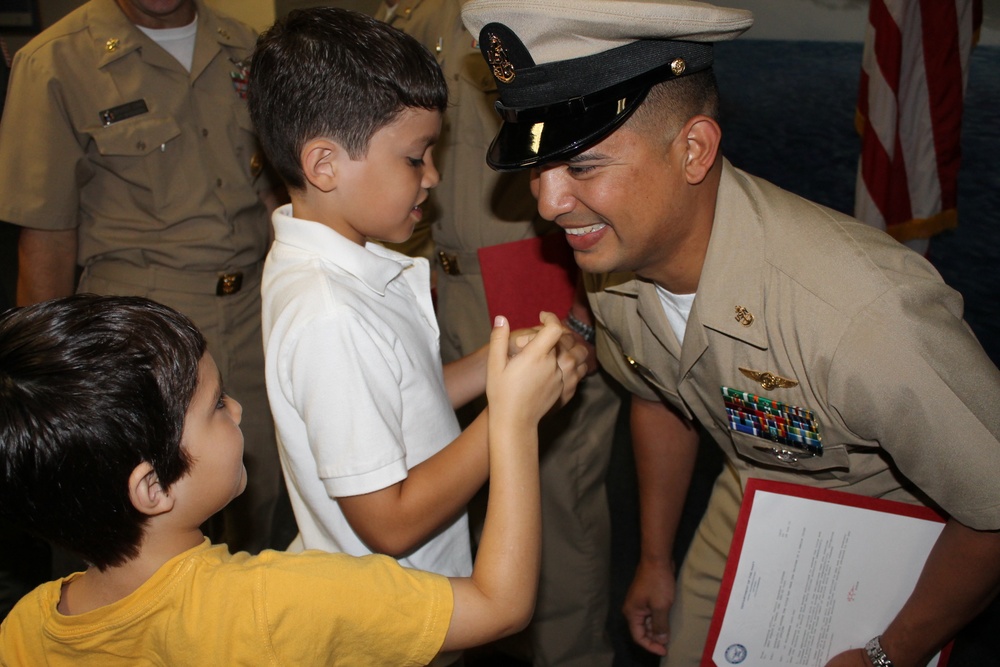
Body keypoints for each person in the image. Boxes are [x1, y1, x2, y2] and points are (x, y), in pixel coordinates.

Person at [459, 1, 1000, 666]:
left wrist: (892, 653)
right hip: (754, 492)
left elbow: (994, 508)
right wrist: (656, 557)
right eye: (538, 171)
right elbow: (659, 393)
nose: (546, 204)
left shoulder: (864, 315)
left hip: (899, 543)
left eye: (583, 167)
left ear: (692, 150)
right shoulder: (612, 273)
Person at [0, 293, 571, 664]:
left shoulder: (24, 629)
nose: (239, 410)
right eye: (215, 407)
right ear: (153, 488)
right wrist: (513, 421)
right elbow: (500, 606)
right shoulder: (277, 603)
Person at [248, 4, 587, 610]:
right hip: (393, 618)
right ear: (324, 165)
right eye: (414, 157)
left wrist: (494, 363)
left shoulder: (338, 268)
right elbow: (390, 523)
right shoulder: (329, 312)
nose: (432, 176)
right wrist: (508, 417)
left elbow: (403, 396)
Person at [374, 2, 622, 664]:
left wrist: (582, 309)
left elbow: (598, 156)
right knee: (483, 508)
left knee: (555, 511)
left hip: (532, 271)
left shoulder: (540, 11)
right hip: (440, 282)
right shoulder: (409, 14)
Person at [0, 0, 289, 555]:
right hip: (135, 340)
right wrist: (49, 389)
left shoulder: (248, 46)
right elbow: (46, 237)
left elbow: (279, 188)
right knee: (123, 531)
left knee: (264, 509)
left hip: (255, 315)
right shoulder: (56, 62)